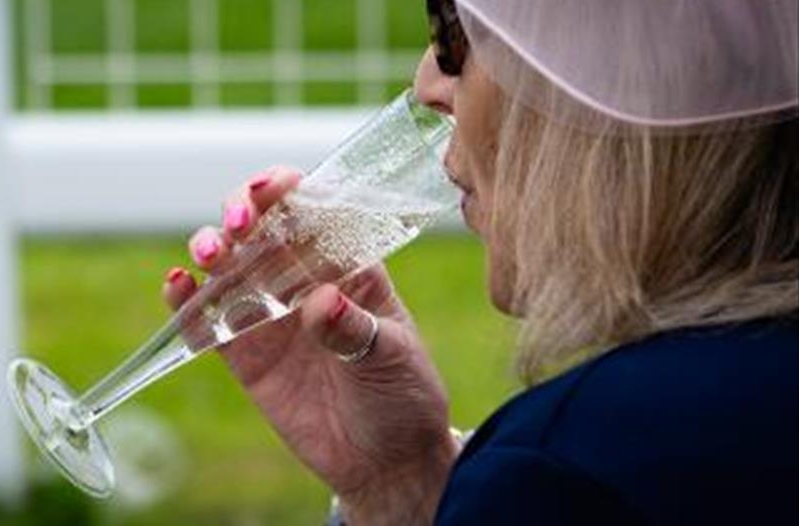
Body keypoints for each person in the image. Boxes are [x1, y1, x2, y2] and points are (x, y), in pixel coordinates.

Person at [162, 0, 798, 524]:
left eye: (455, 32)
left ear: (618, 88)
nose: (427, 85)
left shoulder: (572, 474)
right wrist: (404, 488)